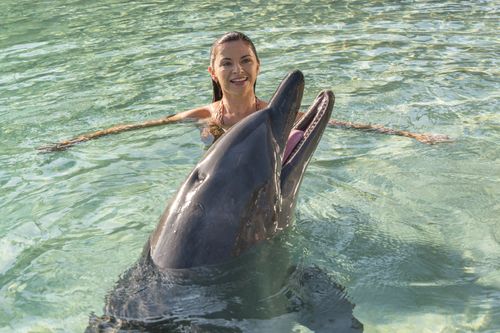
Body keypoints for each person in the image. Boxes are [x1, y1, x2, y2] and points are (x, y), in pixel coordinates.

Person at [38, 32, 450, 152]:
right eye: (228, 63)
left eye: (246, 61)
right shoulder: (204, 116)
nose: (238, 70)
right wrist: (77, 140)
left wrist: (413, 136)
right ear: (214, 72)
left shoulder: (275, 113)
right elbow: (137, 128)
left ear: (258, 65)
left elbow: (339, 124)